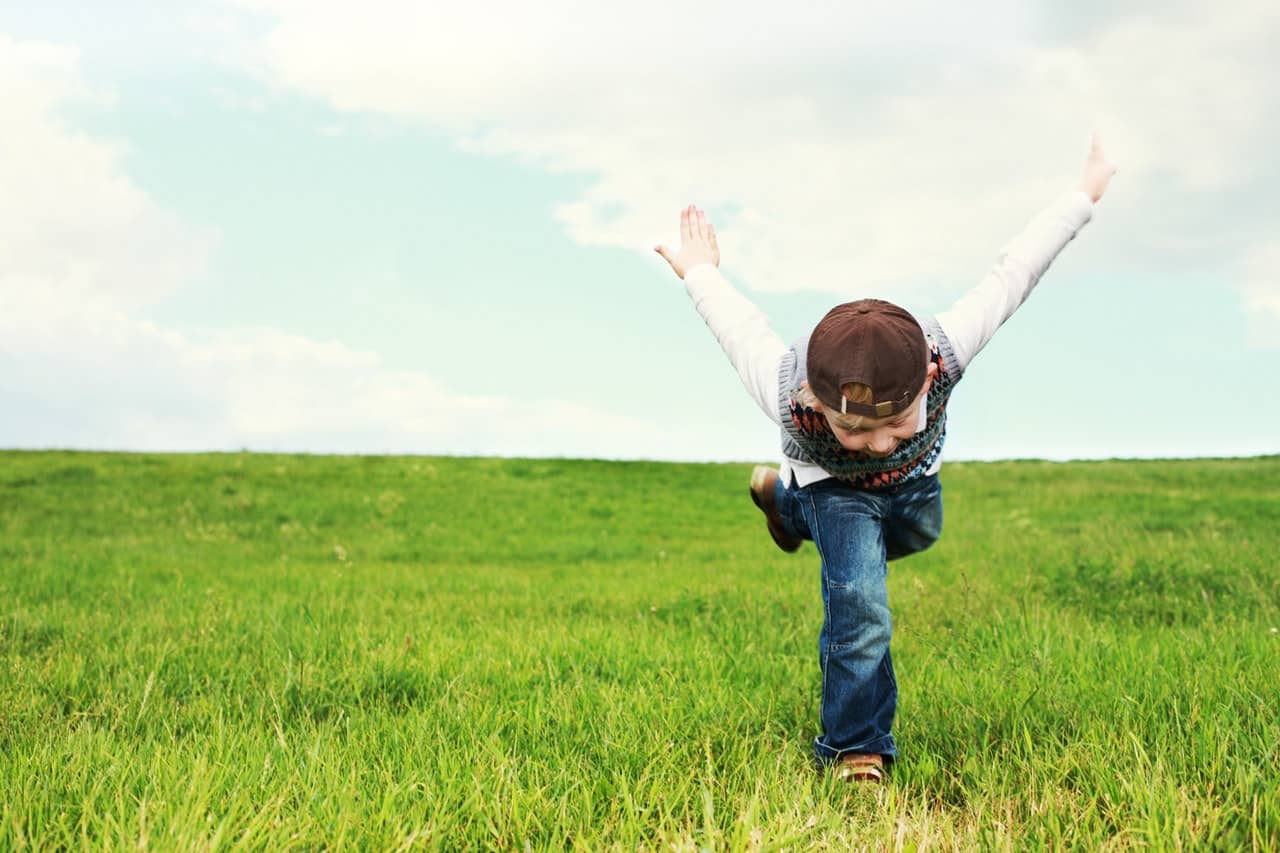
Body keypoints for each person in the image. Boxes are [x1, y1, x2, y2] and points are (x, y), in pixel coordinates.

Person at [654, 136, 1117, 782]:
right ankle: (855, 748)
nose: (877, 444)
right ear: (819, 396)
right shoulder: (785, 387)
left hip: (914, 494)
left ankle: (785, 510)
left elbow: (1014, 272)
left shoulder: (946, 350)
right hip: (834, 492)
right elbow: (737, 325)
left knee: (921, 532)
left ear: (925, 384)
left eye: (897, 422)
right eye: (855, 428)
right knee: (860, 602)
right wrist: (699, 269)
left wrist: (1082, 195)